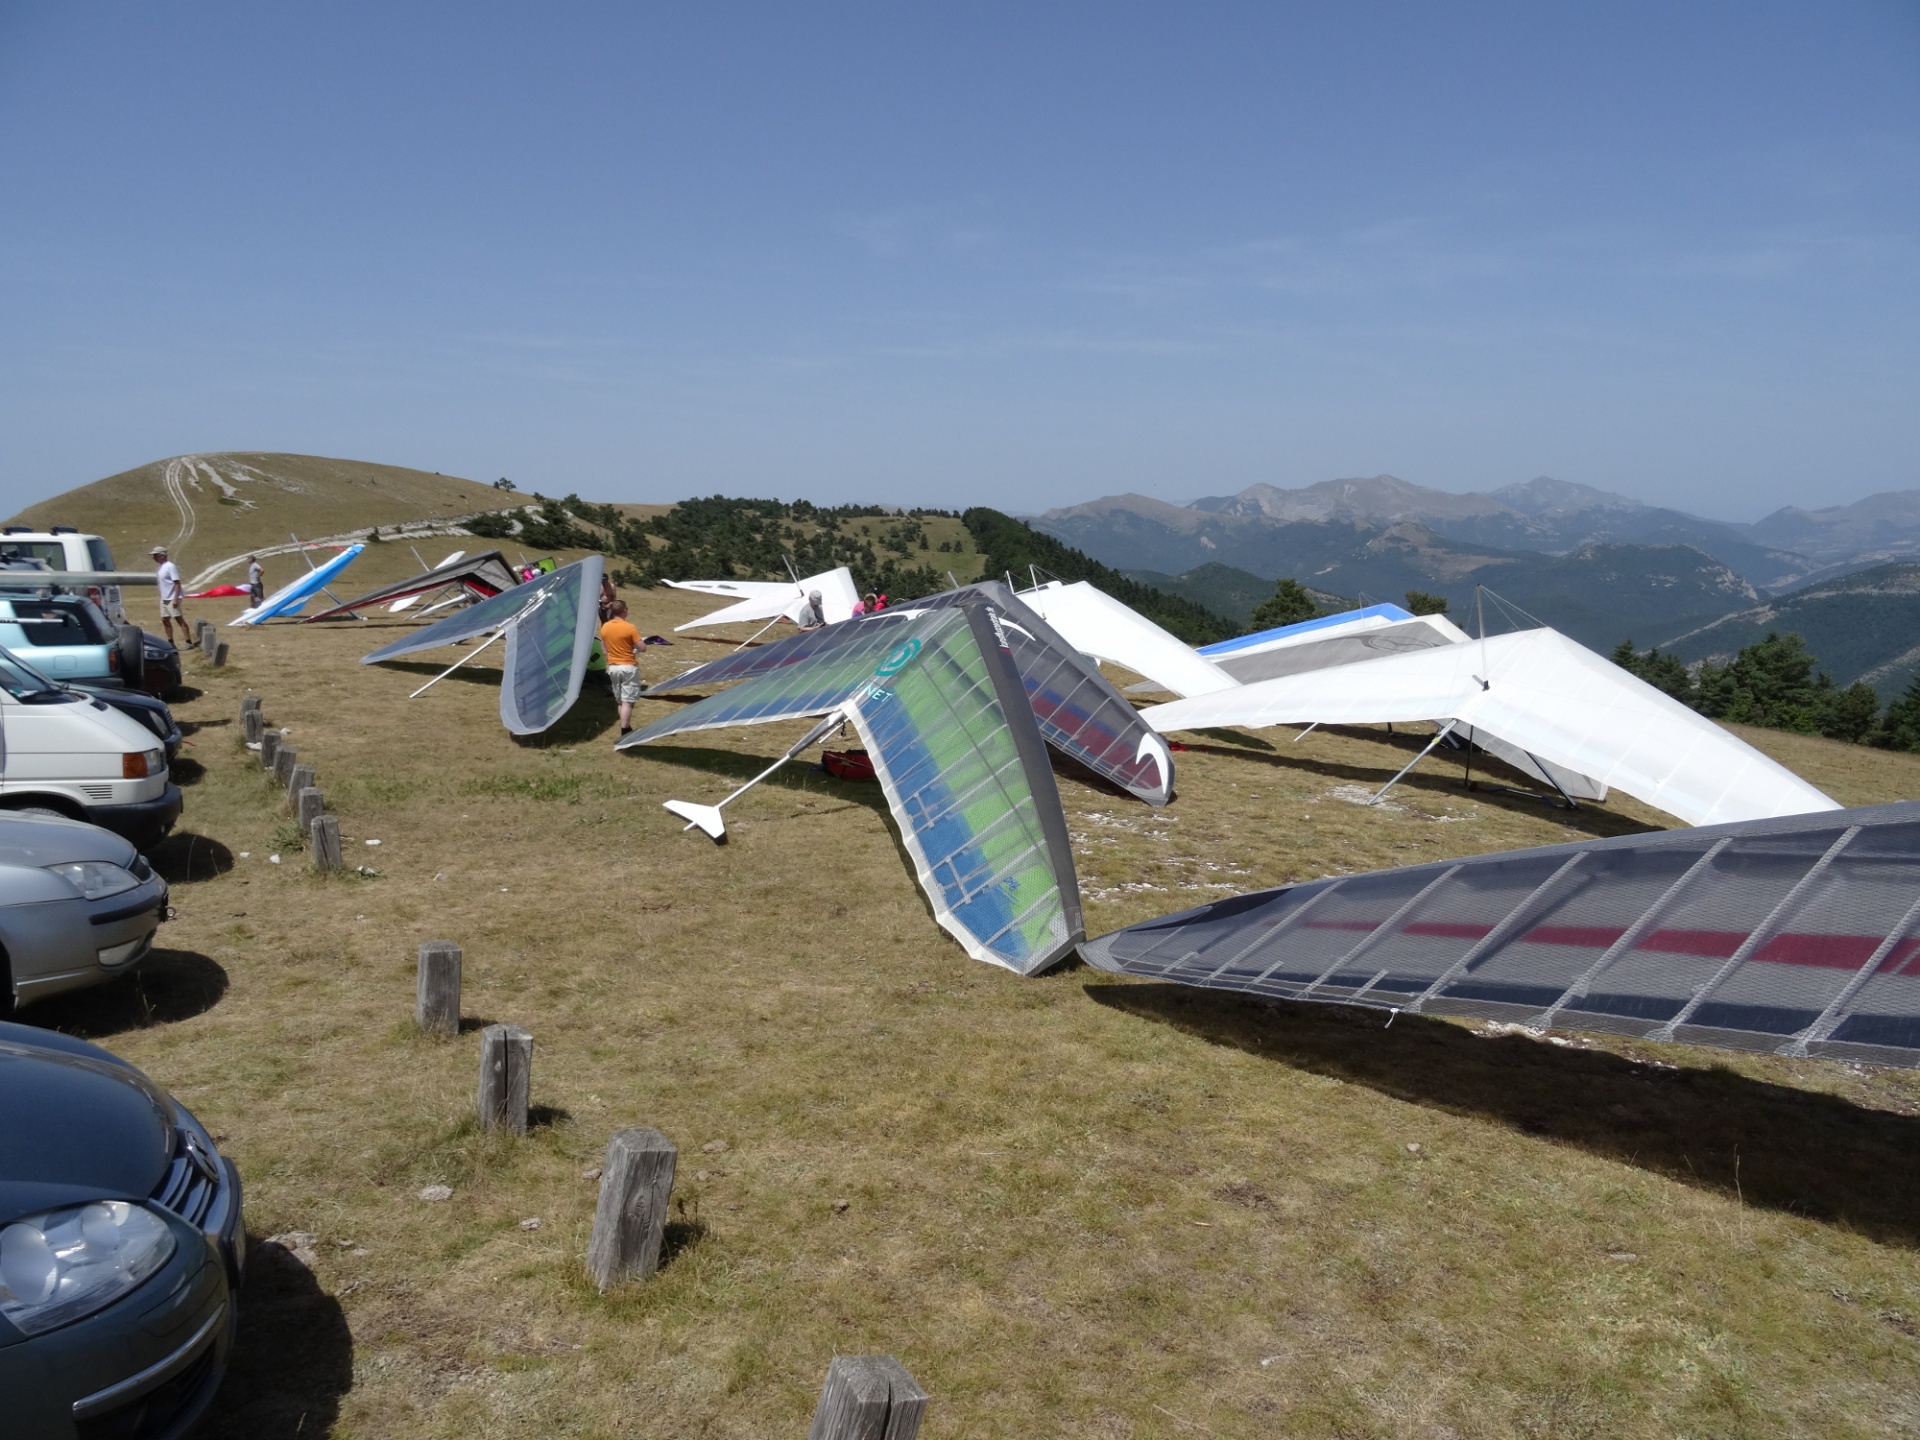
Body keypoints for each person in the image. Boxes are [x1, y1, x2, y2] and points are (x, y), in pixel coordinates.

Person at [598, 600, 644, 735]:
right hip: (628, 666)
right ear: (624, 611)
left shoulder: (605, 627)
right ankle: (625, 729)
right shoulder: (630, 627)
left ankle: (626, 727)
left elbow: (604, 649)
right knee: (628, 701)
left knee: (620, 701)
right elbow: (642, 647)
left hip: (613, 667)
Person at [151, 546, 185, 645]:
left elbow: (177, 583)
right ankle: (170, 642)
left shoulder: (170, 566)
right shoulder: (160, 568)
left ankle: (188, 641)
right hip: (164, 598)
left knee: (179, 619)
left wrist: (175, 599)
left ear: (162, 556)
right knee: (165, 619)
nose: (153, 558)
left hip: (172, 597)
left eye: (155, 555)